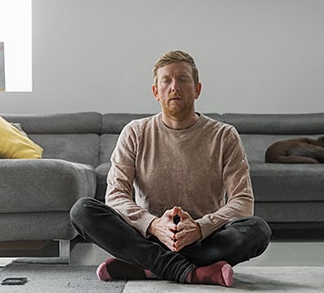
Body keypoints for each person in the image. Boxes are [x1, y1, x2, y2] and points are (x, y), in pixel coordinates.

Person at [70, 50, 271, 287]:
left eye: (183, 79)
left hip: (203, 239)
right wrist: (154, 225)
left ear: (197, 89)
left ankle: (146, 266)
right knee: (82, 211)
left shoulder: (224, 136)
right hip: (148, 236)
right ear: (156, 91)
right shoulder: (135, 132)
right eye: (166, 80)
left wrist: (198, 227)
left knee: (258, 230)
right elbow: (115, 196)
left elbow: (243, 201)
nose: (174, 87)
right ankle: (192, 272)